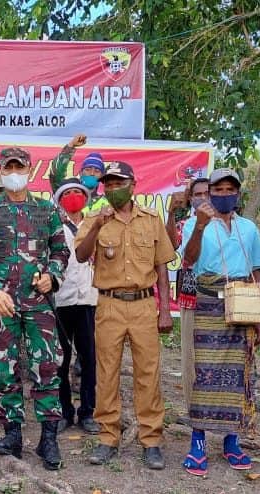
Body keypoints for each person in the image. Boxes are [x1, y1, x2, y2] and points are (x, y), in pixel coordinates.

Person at [0, 147, 69, 471]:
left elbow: (60, 250)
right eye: (8, 166)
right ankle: (12, 434)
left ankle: (48, 438)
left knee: (47, 368)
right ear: (0, 169)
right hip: (4, 304)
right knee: (5, 370)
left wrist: (52, 277)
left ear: (29, 170)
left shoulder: (46, 210)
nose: (14, 171)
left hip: (38, 304)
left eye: (19, 166)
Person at [74, 161, 175, 470]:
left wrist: (166, 309)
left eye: (120, 183)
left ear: (133, 184)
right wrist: (96, 226)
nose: (114, 189)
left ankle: (151, 440)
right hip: (110, 304)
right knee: (106, 372)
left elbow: (161, 266)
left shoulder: (151, 219)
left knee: (148, 373)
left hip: (144, 305)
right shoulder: (95, 218)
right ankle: (107, 437)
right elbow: (80, 255)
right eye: (109, 185)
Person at [177, 168, 260, 476]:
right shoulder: (193, 224)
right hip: (208, 302)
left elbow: (257, 270)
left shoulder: (249, 228)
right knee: (205, 372)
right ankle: (197, 441)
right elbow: (188, 260)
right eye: (219, 190)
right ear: (209, 193)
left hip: (242, 304)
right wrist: (200, 227)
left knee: (238, 373)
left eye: (231, 190)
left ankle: (232, 440)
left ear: (238, 194)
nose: (224, 194)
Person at [51, 179, 100, 434]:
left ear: (86, 197)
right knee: (61, 359)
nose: (72, 197)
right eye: (67, 193)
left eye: (77, 193)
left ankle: (88, 412)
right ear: (59, 200)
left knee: (89, 358)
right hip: (61, 299)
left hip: (89, 299)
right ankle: (64, 411)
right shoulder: (54, 225)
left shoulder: (96, 223)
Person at [168, 178, 210, 427]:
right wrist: (172, 212)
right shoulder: (185, 224)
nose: (203, 197)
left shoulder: (229, 225)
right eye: (198, 194)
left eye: (208, 193)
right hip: (190, 295)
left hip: (221, 297)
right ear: (190, 197)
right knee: (190, 356)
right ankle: (193, 409)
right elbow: (170, 245)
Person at [50, 133, 108, 214]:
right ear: (80, 173)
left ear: (102, 176)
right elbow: (56, 174)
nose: (92, 173)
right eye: (88, 169)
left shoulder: (106, 203)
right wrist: (71, 146)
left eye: (97, 171)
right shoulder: (66, 195)